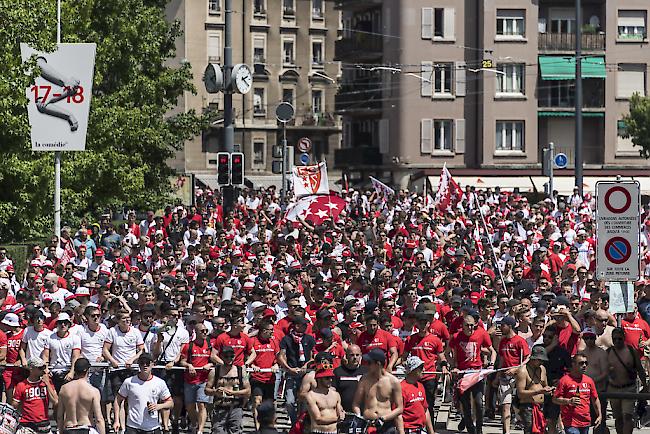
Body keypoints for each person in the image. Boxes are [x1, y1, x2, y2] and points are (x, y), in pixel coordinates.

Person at [447, 314, 495, 434]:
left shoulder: (481, 333)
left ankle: (479, 428)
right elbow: (447, 353)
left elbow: (492, 351)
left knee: (479, 402)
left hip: (477, 372)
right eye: (467, 325)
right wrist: (453, 366)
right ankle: (470, 428)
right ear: (462, 326)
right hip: (462, 374)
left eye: (472, 326)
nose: (470, 328)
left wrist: (491, 364)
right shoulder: (456, 336)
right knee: (465, 403)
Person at [114, 353, 174, 434]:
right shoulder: (129, 382)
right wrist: (116, 420)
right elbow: (118, 400)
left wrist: (159, 406)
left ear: (153, 364)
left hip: (153, 427)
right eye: (142, 363)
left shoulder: (159, 382)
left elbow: (170, 403)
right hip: (133, 427)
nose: (145, 365)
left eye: (148, 363)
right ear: (138, 364)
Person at [351, 349, 403, 434]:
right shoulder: (364, 379)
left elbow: (400, 408)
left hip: (386, 425)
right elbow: (356, 403)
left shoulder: (393, 381)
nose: (367, 365)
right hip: (367, 424)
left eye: (369, 363)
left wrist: (383, 418)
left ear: (378, 364)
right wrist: (359, 417)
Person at [607, 327, 647, 434]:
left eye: (619, 339)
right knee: (618, 418)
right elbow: (603, 371)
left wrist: (645, 387)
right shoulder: (608, 352)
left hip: (629, 388)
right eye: (614, 339)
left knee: (627, 416)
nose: (617, 341)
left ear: (624, 338)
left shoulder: (631, 351)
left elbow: (640, 369)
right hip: (613, 389)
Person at [277, 317, 315, 424]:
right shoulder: (286, 339)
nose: (306, 327)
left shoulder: (309, 339)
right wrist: (289, 369)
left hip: (305, 375)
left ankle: (301, 423)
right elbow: (281, 356)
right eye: (303, 325)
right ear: (297, 326)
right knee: (289, 401)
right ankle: (294, 422)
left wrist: (306, 366)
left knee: (303, 401)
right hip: (291, 373)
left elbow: (313, 356)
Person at [205, 346, 251, 434]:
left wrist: (234, 393)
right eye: (226, 356)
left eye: (231, 356)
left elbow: (248, 391)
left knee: (235, 431)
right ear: (221, 356)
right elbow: (206, 390)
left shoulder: (241, 371)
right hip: (219, 408)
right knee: (218, 431)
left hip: (235, 408)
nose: (229, 359)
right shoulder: (215, 371)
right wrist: (215, 391)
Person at [496, 316, 530, 434]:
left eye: (502, 325)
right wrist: (498, 375)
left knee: (519, 405)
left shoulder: (520, 341)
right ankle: (507, 431)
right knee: (505, 405)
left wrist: (516, 369)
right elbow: (501, 359)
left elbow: (527, 358)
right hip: (505, 377)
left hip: (518, 377)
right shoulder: (502, 341)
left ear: (509, 326)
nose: (500, 327)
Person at [553, 353, 602, 434]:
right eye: (581, 363)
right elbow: (555, 399)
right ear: (573, 364)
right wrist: (569, 401)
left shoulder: (589, 380)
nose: (584, 365)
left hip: (585, 422)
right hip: (570, 422)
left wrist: (599, 415)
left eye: (586, 363)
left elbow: (595, 398)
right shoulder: (564, 380)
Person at [179, 322, 213, 434]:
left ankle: (200, 430)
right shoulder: (189, 346)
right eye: (202, 331)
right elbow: (182, 361)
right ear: (196, 332)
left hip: (203, 380)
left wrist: (210, 364)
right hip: (189, 380)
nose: (204, 333)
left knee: (201, 404)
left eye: (206, 331)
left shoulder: (209, 345)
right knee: (189, 406)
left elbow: (214, 359)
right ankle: (194, 424)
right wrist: (189, 365)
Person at [56, 358, 105, 434]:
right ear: (87, 370)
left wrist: (60, 431)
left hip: (69, 429)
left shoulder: (64, 389)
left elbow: (60, 416)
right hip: (86, 428)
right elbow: (99, 419)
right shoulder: (93, 391)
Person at [247, 319, 279, 429]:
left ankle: (269, 427)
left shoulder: (274, 342)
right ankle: (258, 427)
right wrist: (252, 366)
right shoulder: (253, 341)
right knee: (257, 401)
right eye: (270, 330)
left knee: (269, 404)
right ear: (264, 331)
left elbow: (277, 358)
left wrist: (276, 365)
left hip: (270, 378)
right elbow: (248, 357)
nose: (272, 332)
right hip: (256, 377)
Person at [12, 356, 58, 434]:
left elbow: (55, 401)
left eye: (44, 367)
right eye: (40, 368)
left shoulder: (47, 382)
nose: (43, 370)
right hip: (27, 425)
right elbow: (14, 405)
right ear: (31, 369)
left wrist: (47, 383)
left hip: (44, 424)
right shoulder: (21, 385)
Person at [516, 345, 554, 434]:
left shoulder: (543, 369)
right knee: (530, 430)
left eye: (543, 360)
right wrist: (538, 392)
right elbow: (520, 393)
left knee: (541, 430)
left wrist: (549, 390)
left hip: (541, 406)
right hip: (527, 407)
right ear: (533, 358)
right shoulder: (522, 371)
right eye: (540, 360)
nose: (541, 362)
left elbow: (545, 386)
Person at [42, 312, 81, 391]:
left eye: (65, 323)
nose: (63, 325)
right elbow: (45, 356)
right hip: (53, 372)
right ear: (57, 324)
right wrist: (46, 369)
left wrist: (72, 372)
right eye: (60, 323)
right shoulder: (49, 338)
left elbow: (75, 356)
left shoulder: (75, 338)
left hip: (68, 371)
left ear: (69, 324)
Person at [581, 327, 609, 434]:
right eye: (586, 338)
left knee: (600, 422)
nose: (588, 340)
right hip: (584, 393)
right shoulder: (582, 354)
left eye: (591, 338)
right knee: (585, 421)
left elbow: (605, 373)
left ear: (595, 338)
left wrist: (590, 382)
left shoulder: (601, 353)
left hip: (599, 392)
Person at [304, 361, 343, 434]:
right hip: (318, 431)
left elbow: (340, 412)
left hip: (334, 431)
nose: (330, 380)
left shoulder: (336, 395)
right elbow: (318, 419)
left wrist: (341, 414)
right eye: (327, 378)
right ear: (319, 378)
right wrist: (337, 419)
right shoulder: (311, 395)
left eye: (331, 377)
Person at [399, 356, 435, 434]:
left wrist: (431, 432)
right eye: (421, 367)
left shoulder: (420, 386)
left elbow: (425, 410)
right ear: (413, 370)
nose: (424, 370)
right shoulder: (401, 388)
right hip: (408, 430)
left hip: (421, 429)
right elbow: (398, 415)